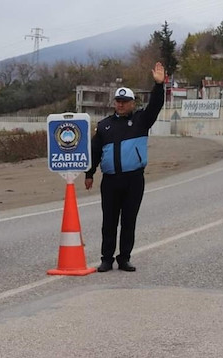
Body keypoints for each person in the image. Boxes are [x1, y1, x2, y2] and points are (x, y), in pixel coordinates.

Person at [84, 62, 166, 272]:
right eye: (118, 101)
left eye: (125, 101)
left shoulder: (142, 120)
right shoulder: (104, 126)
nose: (120, 105)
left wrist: (158, 85)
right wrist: (90, 173)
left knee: (129, 221)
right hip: (111, 181)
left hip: (134, 180)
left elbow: (156, 105)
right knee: (109, 222)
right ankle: (106, 259)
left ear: (132, 103)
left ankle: (124, 258)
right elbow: (94, 151)